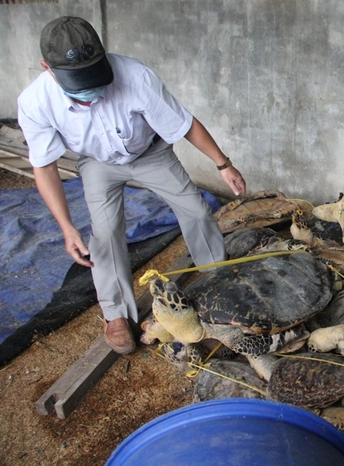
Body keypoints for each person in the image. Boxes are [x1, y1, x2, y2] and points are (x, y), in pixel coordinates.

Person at [17, 16, 246, 354]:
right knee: (105, 235)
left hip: (150, 153)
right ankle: (116, 315)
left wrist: (222, 164)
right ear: (47, 68)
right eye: (78, 82)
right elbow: (44, 166)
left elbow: (183, 123)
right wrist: (66, 227)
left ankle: (216, 277)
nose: (88, 90)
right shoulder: (35, 102)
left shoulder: (135, 76)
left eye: (93, 74)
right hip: (97, 163)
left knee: (197, 211)